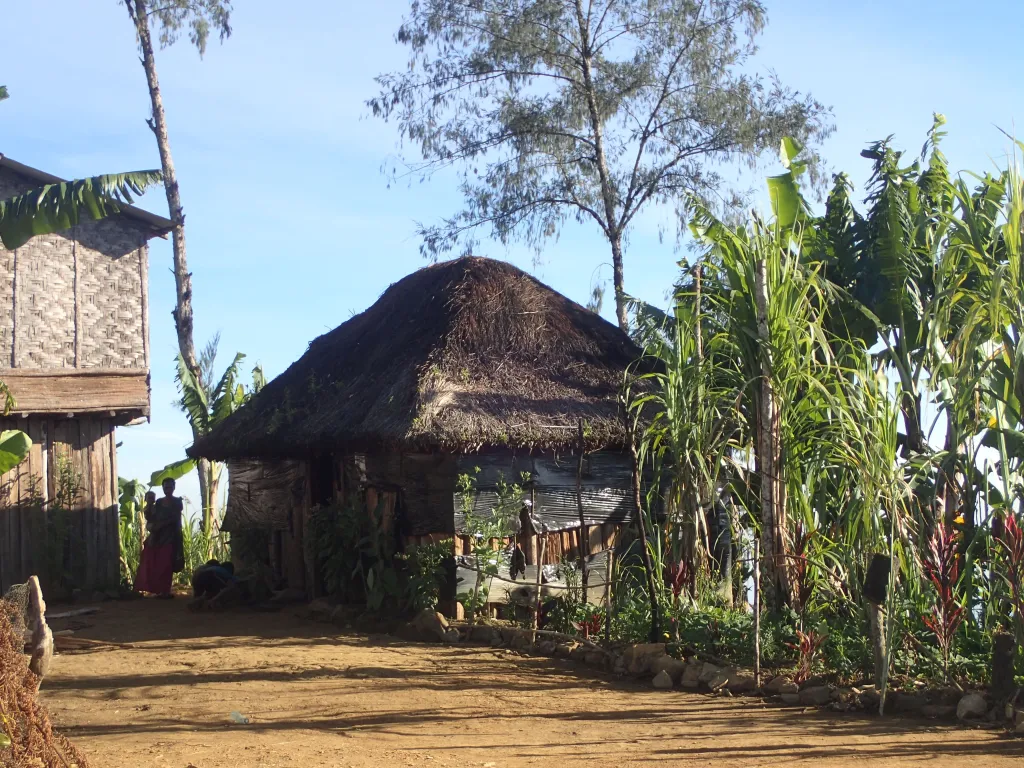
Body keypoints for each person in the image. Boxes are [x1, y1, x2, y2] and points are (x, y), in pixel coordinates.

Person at [134, 479, 184, 599]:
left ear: (174, 487)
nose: (168, 490)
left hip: (170, 537)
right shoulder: (159, 502)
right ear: (163, 488)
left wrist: (161, 525)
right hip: (157, 538)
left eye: (170, 487)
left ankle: (165, 591)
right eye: (165, 487)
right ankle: (155, 589)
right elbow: (151, 517)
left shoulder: (177, 502)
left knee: (167, 565)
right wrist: (149, 505)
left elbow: (175, 519)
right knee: (153, 563)